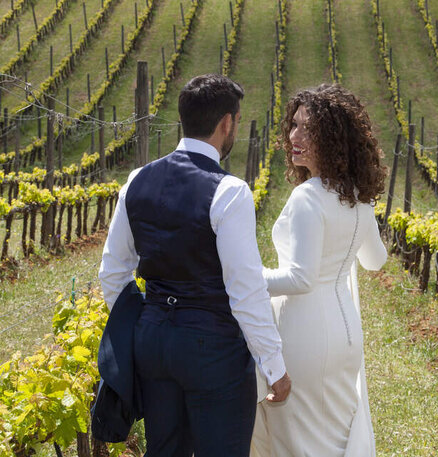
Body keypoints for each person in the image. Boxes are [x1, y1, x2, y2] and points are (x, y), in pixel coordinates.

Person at [98, 74, 291, 457]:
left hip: (152, 342)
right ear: (227, 123)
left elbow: (113, 273)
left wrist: (146, 323)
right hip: (212, 348)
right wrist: (275, 366)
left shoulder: (136, 180)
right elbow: (245, 291)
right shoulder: (229, 191)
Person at [250, 84, 388, 456]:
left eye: (307, 129)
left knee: (298, 441)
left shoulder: (308, 197)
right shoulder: (359, 198)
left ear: (331, 138)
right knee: (335, 437)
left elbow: (300, 278)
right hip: (347, 336)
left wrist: (244, 278)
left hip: (303, 334)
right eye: (293, 125)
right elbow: (376, 260)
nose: (294, 136)